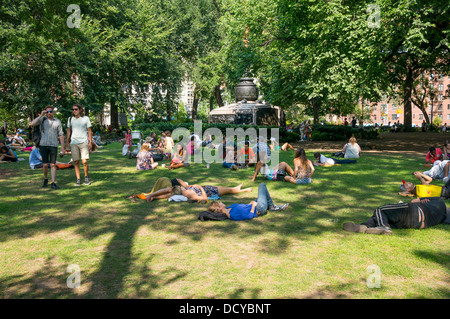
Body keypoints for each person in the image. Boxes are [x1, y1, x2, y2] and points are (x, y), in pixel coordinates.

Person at [342, 197, 449, 235]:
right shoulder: (442, 217)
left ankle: (383, 226)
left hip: (414, 210)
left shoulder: (438, 200)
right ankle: (363, 227)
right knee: (387, 216)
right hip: (416, 224)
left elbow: (413, 201)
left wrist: (421, 201)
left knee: (380, 210)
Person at [207, 183, 289, 221]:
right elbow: (249, 216)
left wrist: (250, 204)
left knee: (262, 194)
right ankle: (271, 207)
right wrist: (253, 206)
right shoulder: (231, 215)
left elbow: (243, 208)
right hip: (259, 209)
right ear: (220, 208)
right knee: (262, 185)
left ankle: (271, 206)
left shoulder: (229, 207)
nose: (221, 202)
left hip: (256, 205)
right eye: (219, 203)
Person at [30, 105, 66, 189]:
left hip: (53, 145)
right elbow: (32, 123)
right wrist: (41, 115)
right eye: (47, 112)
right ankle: (46, 179)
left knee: (53, 164)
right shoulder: (42, 120)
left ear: (53, 112)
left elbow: (61, 134)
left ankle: (53, 182)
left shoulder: (57, 121)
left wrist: (62, 147)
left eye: (50, 111)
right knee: (45, 164)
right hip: (43, 144)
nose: (49, 113)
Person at [66, 104, 93, 186]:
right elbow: (68, 130)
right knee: (76, 161)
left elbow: (89, 131)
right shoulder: (70, 119)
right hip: (74, 142)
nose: (74, 111)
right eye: (73, 109)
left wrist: (90, 142)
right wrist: (67, 141)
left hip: (84, 142)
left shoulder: (86, 119)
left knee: (84, 161)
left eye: (76, 109)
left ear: (80, 109)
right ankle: (78, 179)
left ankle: (86, 177)